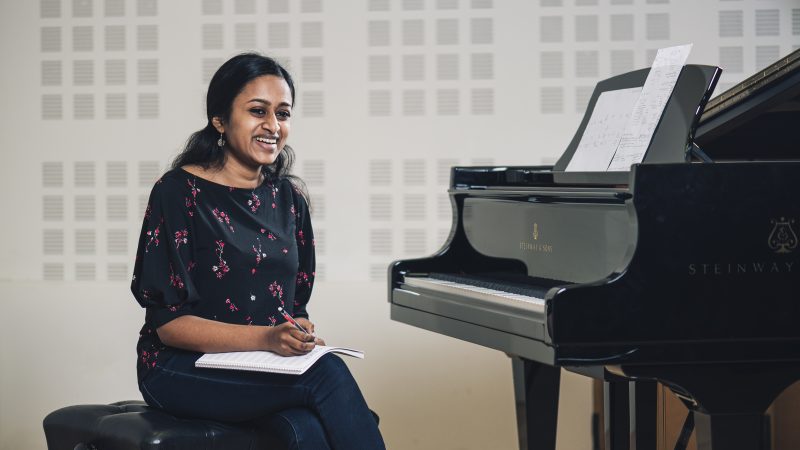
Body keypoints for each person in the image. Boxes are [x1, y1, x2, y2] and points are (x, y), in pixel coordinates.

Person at [131, 53, 386, 450]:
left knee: (308, 430)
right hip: (179, 369)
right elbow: (171, 326)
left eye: (283, 113)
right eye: (257, 111)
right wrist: (268, 338)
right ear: (219, 119)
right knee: (327, 375)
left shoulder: (289, 198)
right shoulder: (177, 193)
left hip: (259, 368)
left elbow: (293, 304)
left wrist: (295, 331)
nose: (273, 126)